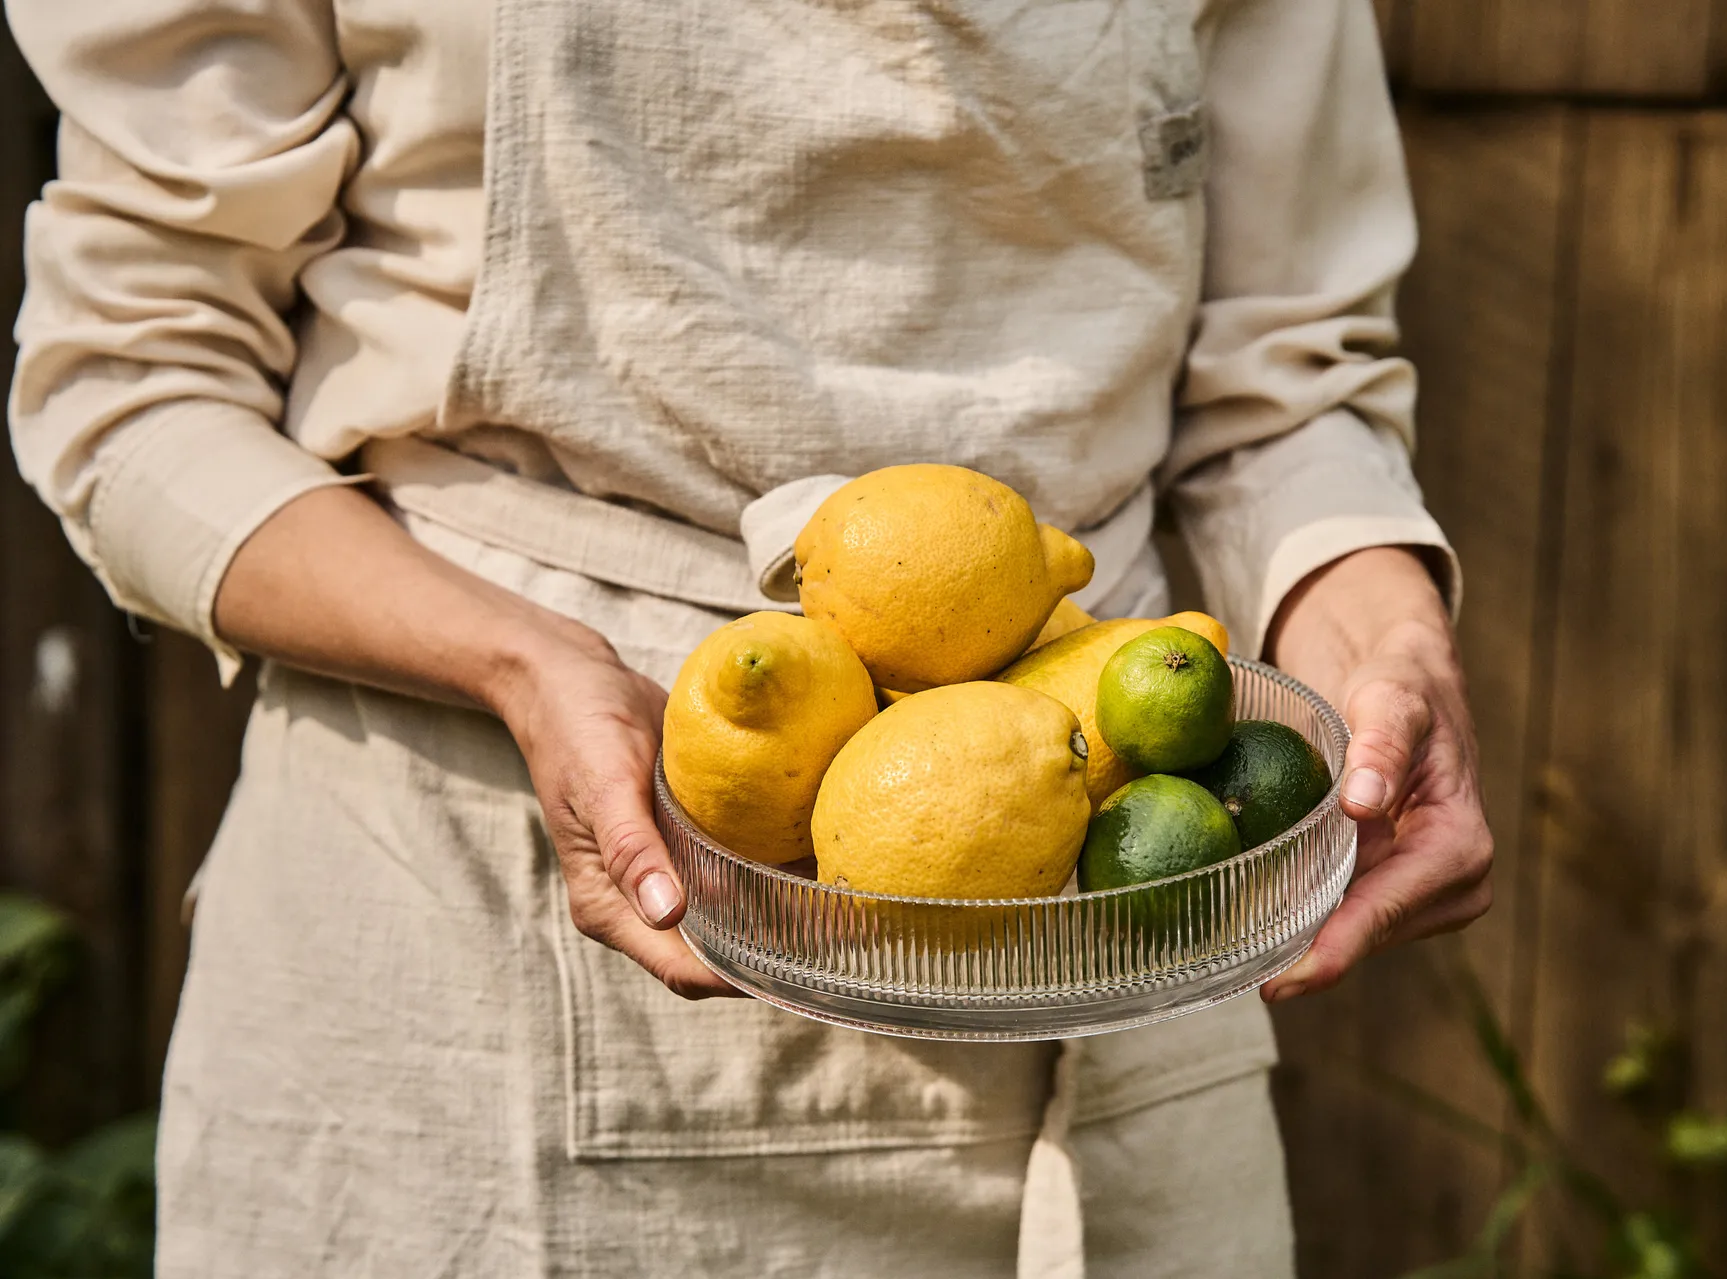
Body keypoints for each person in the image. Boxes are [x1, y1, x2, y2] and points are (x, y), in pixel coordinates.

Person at [7, 0, 1494, 1273]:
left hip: (1116, 929)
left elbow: (1282, 385)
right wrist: (528, 664)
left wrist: (1387, 637)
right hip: (478, 963)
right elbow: (136, 385)